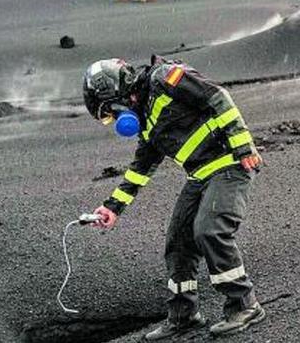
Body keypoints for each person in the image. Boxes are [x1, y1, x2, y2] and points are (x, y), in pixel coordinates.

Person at [82, 56, 265, 340]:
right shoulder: (147, 122)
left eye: (109, 113)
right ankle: (184, 315)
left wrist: (242, 146)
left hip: (231, 164)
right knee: (178, 242)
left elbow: (218, 97)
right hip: (200, 176)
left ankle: (245, 305)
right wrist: (112, 207)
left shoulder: (165, 78)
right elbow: (140, 169)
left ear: (117, 95)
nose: (115, 120)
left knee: (210, 230)